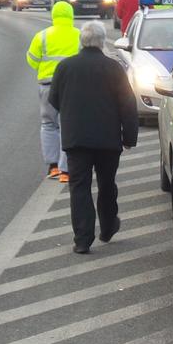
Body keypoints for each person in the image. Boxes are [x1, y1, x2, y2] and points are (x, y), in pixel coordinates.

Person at [47, 21, 138, 254]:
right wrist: (129, 136)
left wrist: (70, 115)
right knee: (107, 185)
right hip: (107, 140)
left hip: (76, 140)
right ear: (101, 41)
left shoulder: (65, 67)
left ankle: (82, 239)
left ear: (82, 41)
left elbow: (53, 99)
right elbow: (127, 104)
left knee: (79, 188)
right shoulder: (114, 68)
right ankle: (108, 227)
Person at [25, 1, 80, 183]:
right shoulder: (79, 35)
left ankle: (53, 166)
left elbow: (32, 60)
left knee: (49, 124)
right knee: (68, 125)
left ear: (54, 16)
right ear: (71, 15)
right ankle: (66, 171)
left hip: (47, 84)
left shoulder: (42, 36)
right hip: (72, 86)